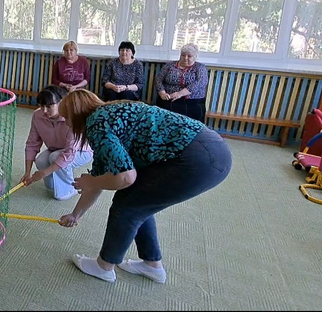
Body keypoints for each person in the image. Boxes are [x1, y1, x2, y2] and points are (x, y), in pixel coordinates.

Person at [56, 89, 231, 285]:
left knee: (127, 205)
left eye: (66, 118)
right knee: (140, 200)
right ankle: (152, 264)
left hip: (199, 158)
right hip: (212, 148)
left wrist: (90, 181)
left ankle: (104, 267)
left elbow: (125, 177)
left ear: (76, 114)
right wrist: (76, 215)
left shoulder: (97, 123)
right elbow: (101, 177)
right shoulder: (110, 112)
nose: (66, 123)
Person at [21, 85, 93, 201]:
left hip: (81, 151)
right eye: (41, 106)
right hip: (56, 150)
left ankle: (71, 187)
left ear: (61, 102)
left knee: (55, 157)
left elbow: (69, 153)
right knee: (41, 160)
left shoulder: (71, 118)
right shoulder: (37, 115)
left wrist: (44, 173)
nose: (44, 110)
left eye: (49, 106)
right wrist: (27, 172)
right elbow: (32, 144)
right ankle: (54, 184)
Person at [155, 43, 209, 123]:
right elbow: (159, 79)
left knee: (190, 121)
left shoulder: (200, 67)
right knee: (163, 116)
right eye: (183, 55)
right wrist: (162, 93)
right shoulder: (170, 65)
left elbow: (200, 83)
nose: (185, 58)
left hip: (191, 101)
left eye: (189, 56)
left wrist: (180, 94)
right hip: (169, 98)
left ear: (195, 56)